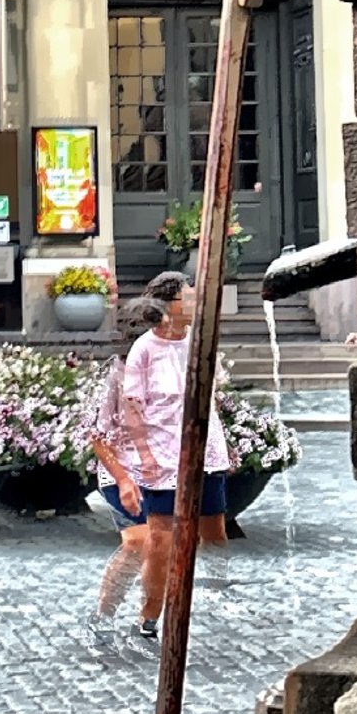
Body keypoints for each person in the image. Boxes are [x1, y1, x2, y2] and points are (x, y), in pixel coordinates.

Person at [119, 270, 233, 639]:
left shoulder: (200, 343)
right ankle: (151, 612)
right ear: (170, 306)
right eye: (190, 297)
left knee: (213, 528)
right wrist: (145, 457)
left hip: (204, 452)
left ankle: (205, 592)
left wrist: (219, 438)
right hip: (163, 456)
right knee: (162, 538)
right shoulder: (145, 350)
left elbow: (211, 393)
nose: (196, 303)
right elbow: (132, 409)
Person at [82, 295, 168, 629]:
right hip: (122, 470)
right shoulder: (118, 376)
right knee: (138, 542)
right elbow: (98, 436)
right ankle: (103, 616)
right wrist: (123, 479)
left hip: (162, 473)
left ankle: (149, 621)